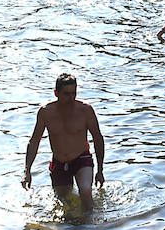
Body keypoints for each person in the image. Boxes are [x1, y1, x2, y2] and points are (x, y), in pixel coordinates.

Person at [22, 72, 106, 211]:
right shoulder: (45, 112)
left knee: (85, 192)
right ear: (56, 93)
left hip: (81, 158)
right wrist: (27, 171)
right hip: (59, 161)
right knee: (64, 204)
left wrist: (100, 170)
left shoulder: (85, 110)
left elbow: (98, 138)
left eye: (74, 93)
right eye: (67, 94)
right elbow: (35, 141)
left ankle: (92, 228)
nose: (71, 98)